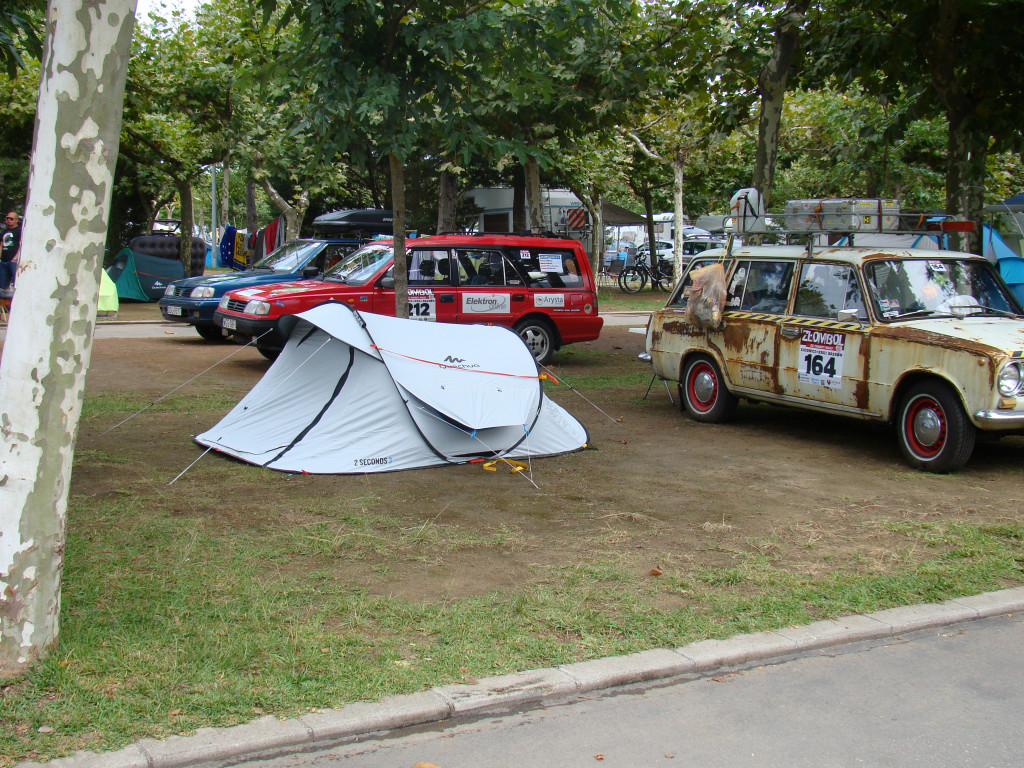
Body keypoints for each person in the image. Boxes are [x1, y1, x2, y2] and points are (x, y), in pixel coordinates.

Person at [1, 211, 21, 290]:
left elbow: (21, 245)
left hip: (13, 261)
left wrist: (15, 257)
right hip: (3, 261)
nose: (9, 220)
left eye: (11, 219)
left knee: (16, 282)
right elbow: (1, 244)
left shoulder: (19, 231)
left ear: (16, 220)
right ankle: (5, 297)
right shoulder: (4, 231)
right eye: (7, 218)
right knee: (3, 284)